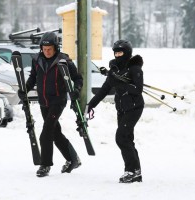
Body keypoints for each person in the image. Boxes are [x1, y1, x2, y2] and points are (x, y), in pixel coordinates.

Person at [18, 32, 83, 177]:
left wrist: (76, 90)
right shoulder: (37, 60)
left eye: (50, 49)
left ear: (56, 48)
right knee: (55, 133)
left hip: (58, 101)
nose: (47, 52)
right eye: (44, 49)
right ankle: (73, 159)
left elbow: (78, 78)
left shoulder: (64, 61)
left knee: (46, 132)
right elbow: (33, 78)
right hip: (44, 102)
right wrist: (24, 90)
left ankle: (45, 164)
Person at [87, 40, 144, 183]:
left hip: (134, 107)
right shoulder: (114, 70)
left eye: (121, 52)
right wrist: (91, 104)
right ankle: (136, 171)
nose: (118, 55)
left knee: (121, 138)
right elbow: (104, 89)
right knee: (127, 139)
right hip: (122, 109)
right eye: (116, 52)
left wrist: (121, 84)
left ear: (127, 53)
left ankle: (130, 171)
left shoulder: (135, 68)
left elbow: (138, 89)